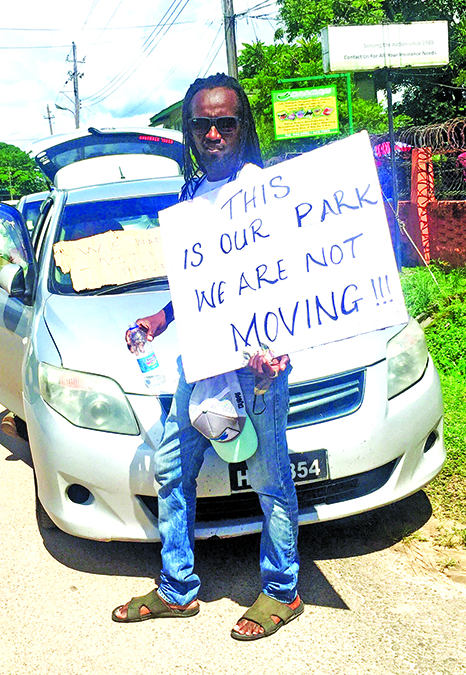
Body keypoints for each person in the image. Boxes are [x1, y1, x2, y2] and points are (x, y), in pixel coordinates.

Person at [111, 74, 303, 641]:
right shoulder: (190, 198)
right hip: (198, 361)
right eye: (203, 124)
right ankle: (177, 589)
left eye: (226, 122)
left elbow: (297, 277)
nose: (214, 133)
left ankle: (281, 589)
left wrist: (282, 345)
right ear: (191, 131)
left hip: (258, 363)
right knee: (173, 469)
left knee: (271, 477)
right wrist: (159, 319)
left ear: (243, 128)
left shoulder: (268, 192)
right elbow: (199, 287)